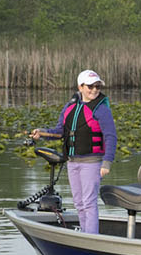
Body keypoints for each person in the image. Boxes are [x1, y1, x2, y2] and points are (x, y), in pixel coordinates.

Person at [30, 69, 117, 233]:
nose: (94, 90)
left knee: (89, 202)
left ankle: (91, 237)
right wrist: (41, 133)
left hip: (92, 163)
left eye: (97, 86)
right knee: (78, 202)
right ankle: (84, 233)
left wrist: (107, 162)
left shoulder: (101, 109)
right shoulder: (69, 107)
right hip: (72, 163)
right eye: (90, 86)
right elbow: (59, 132)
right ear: (80, 87)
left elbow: (111, 136)